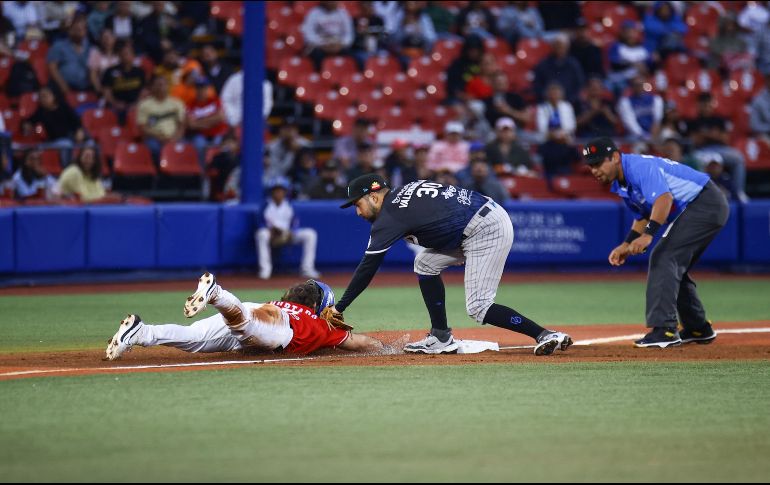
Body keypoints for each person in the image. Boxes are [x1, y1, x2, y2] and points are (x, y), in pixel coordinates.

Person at [328, 173, 573, 355]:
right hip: (479, 219)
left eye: (357, 204)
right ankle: (441, 336)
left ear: (373, 196)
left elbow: (368, 267)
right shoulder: (404, 191)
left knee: (478, 306)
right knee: (424, 263)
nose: (358, 213)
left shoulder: (390, 216)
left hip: (484, 229)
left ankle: (544, 334)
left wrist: (340, 307)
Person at [583, 137, 729, 348]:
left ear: (614, 157)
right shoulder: (621, 182)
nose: (594, 170)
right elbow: (643, 215)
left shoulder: (638, 167)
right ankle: (698, 327)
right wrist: (627, 243)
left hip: (704, 203)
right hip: (700, 205)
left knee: (664, 257)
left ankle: (665, 330)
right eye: (590, 165)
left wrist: (649, 235)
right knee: (673, 263)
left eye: (598, 163)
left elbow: (663, 199)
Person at [105, 273, 392, 360]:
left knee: (192, 338)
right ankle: (215, 293)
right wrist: (388, 349)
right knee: (244, 323)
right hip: (276, 327)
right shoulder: (316, 323)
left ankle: (140, 332)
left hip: (256, 313)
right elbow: (356, 342)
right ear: (320, 306)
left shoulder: (284, 303)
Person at [256, 177, 320, 280]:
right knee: (261, 234)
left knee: (310, 234)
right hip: (271, 234)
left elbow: (295, 223)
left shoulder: (290, 205)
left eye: (281, 190)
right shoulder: (265, 205)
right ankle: (265, 269)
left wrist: (291, 232)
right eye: (276, 190)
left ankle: (307, 269)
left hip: (287, 234)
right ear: (271, 192)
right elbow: (260, 223)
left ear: (285, 192)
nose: (278, 193)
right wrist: (270, 231)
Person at [136, 74, 186, 163]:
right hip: (154, 138)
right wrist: (159, 137)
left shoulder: (177, 103)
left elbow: (182, 124)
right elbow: (142, 127)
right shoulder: (144, 105)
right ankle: (158, 175)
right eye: (158, 85)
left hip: (174, 136)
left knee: (187, 148)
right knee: (154, 149)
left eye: (164, 84)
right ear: (152, 87)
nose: (161, 87)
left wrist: (175, 138)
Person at [300, 1, 354, 70]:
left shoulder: (343, 13)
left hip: (338, 44)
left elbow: (349, 35)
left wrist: (340, 45)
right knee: (317, 56)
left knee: (352, 57)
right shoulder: (314, 13)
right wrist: (322, 44)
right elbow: (308, 34)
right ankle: (320, 77)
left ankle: (346, 78)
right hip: (320, 45)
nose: (332, 3)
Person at [47, 14, 92, 96]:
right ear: (70, 30)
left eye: (82, 29)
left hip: (86, 87)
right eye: (76, 29)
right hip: (65, 87)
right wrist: (63, 86)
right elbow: (52, 68)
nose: (80, 32)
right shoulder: (58, 46)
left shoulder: (89, 46)